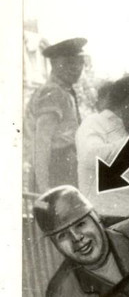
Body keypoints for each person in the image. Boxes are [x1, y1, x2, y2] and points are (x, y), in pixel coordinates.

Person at [76, 75, 129, 221]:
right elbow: (89, 157)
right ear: (128, 103)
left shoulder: (126, 133)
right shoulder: (94, 122)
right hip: (103, 218)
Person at [25, 37, 87, 192]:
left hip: (64, 169)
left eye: (80, 62)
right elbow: (42, 141)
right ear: (54, 64)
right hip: (55, 170)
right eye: (69, 62)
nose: (76, 68)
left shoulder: (64, 91)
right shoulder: (53, 91)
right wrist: (44, 187)